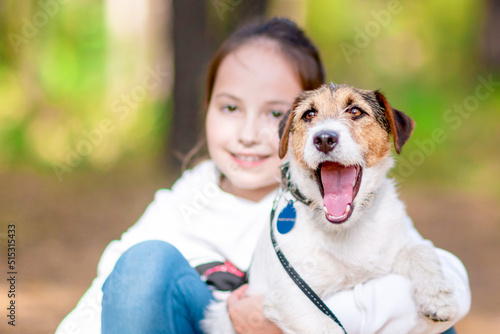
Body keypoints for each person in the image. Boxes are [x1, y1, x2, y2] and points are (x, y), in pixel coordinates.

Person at [56, 18, 470, 334]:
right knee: (143, 263)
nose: (250, 134)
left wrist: (288, 318)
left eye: (274, 113)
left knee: (426, 296)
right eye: (230, 108)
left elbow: (448, 288)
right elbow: (104, 295)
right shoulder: (184, 200)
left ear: (288, 130)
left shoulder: (355, 204)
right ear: (206, 108)